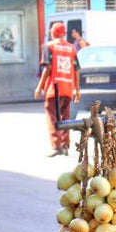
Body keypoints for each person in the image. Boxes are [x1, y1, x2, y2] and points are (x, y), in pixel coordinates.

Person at [34, 22, 80, 157]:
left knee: (52, 116)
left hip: (53, 89)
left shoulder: (49, 46)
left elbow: (47, 68)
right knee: (65, 117)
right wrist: (77, 90)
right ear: (64, 33)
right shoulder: (71, 48)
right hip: (67, 88)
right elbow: (76, 69)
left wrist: (39, 87)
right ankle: (65, 145)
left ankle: (56, 146)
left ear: (52, 33)